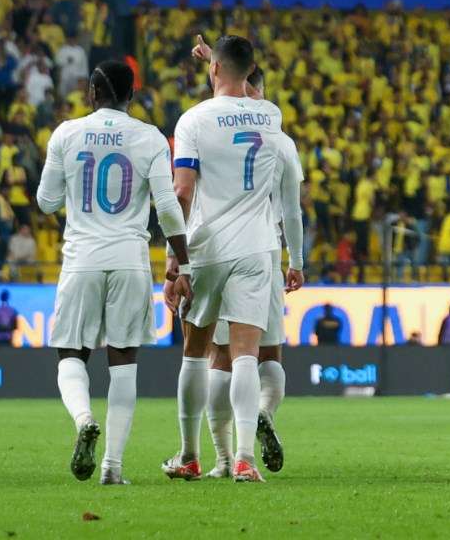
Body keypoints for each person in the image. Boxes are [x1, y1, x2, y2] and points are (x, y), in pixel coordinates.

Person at [37, 58, 188, 485]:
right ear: (131, 97)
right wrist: (184, 263)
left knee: (71, 354)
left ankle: (84, 419)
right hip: (129, 259)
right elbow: (169, 209)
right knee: (124, 365)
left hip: (82, 257)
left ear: (91, 93)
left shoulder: (66, 133)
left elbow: (46, 203)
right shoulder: (150, 138)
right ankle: (112, 468)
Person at [162, 35, 299, 484]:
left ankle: (190, 455)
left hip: (207, 248)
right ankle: (244, 459)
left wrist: (173, 261)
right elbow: (250, 99)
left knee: (197, 353)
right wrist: (221, 64)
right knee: (245, 355)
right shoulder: (271, 115)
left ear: (213, 70)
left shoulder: (192, 121)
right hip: (259, 248)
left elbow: (181, 192)